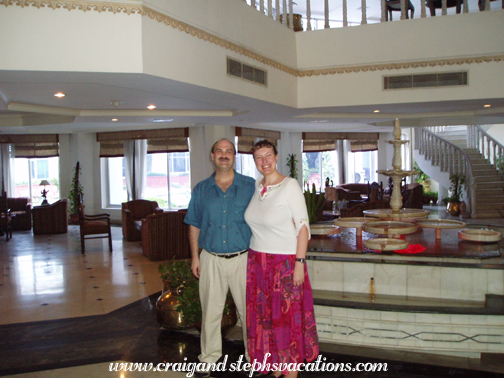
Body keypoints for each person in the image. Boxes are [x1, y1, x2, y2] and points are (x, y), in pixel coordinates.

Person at [244, 140, 319, 378]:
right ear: (255, 161)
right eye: (258, 157)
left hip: (285, 263)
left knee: (286, 318)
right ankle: (277, 363)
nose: (264, 161)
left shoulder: (290, 186)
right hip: (258, 261)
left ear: (276, 157)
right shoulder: (258, 186)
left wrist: (300, 263)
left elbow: (303, 228)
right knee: (265, 316)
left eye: (268, 155)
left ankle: (291, 370)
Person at [184, 138, 255, 378]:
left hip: (243, 259)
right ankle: (208, 358)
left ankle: (253, 357)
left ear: (234, 157)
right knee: (211, 312)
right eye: (219, 151)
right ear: (212, 157)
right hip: (211, 258)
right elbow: (193, 224)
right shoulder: (201, 189)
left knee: (249, 313)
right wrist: (195, 257)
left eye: (229, 151)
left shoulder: (250, 186)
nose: (224, 155)